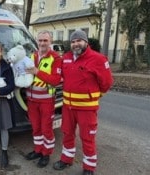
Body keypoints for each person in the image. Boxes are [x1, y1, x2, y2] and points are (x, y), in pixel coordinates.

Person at [53, 29, 113, 175]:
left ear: (86, 42)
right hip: (68, 107)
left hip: (87, 109)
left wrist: (95, 96)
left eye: (79, 41)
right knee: (67, 133)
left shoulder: (98, 59)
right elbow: (57, 75)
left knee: (87, 138)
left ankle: (89, 167)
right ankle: (66, 159)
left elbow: (107, 83)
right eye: (73, 42)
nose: (75, 44)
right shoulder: (66, 58)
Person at [24, 30, 62, 168]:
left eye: (45, 40)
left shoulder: (56, 58)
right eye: (40, 40)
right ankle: (38, 150)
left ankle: (46, 154)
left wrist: (37, 72)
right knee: (36, 128)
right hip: (31, 100)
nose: (42, 43)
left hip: (46, 100)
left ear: (50, 41)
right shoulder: (31, 56)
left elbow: (55, 80)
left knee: (46, 129)